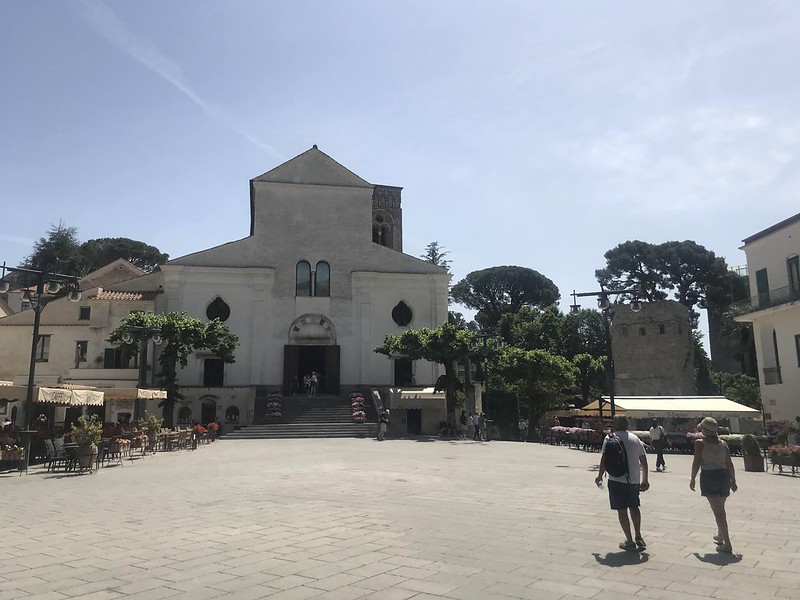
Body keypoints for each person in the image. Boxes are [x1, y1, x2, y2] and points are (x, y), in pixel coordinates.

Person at [595, 415, 650, 551]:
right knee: (634, 507)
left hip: (615, 478)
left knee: (621, 510)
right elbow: (643, 460)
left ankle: (629, 540)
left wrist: (599, 476)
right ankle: (638, 536)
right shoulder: (635, 439)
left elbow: (604, 459)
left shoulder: (609, 438)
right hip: (633, 480)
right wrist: (645, 479)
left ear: (615, 424)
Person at [690, 416, 737, 554]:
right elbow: (729, 463)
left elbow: (697, 461)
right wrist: (733, 480)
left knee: (718, 512)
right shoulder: (723, 443)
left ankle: (727, 543)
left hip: (709, 476)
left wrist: (692, 478)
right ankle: (720, 535)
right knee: (720, 508)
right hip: (724, 476)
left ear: (703, 430)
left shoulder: (700, 443)